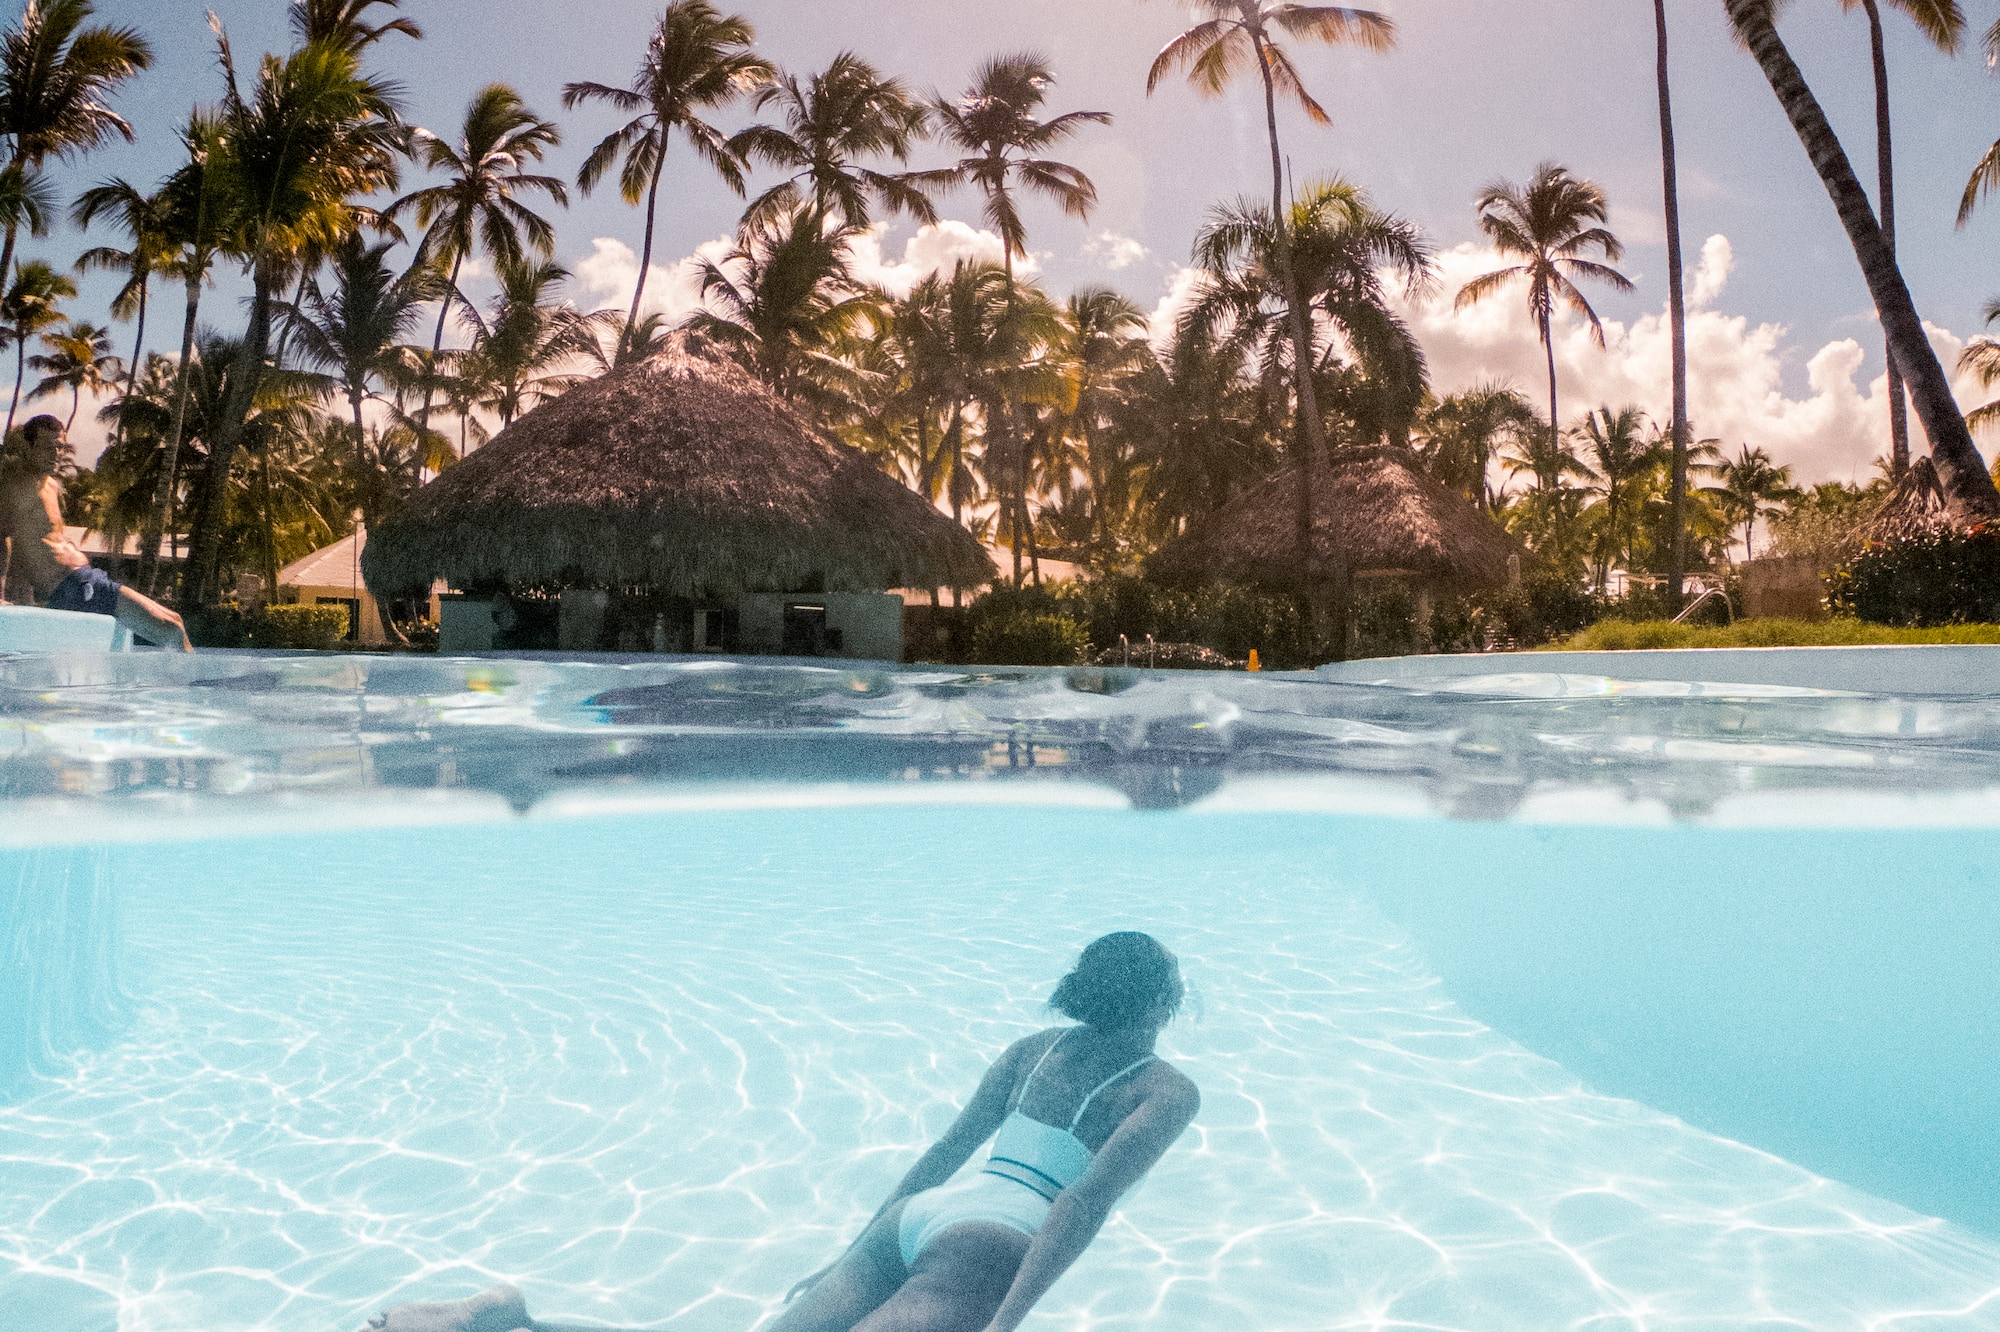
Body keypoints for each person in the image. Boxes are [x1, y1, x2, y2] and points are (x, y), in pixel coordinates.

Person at [365, 932, 1200, 1332]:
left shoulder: (1033, 1047)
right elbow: (1079, 1206)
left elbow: (941, 1158)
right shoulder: (1166, 1091)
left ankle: (511, 1320)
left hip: (917, 1221)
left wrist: (852, 1255)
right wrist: (1005, 1323)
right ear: (1161, 1003)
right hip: (992, 1244)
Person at [0, 414, 191, 650]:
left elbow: (36, 541)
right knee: (172, 630)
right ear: (28, 448)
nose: (55, 454)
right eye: (47, 447)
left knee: (176, 621)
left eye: (60, 447)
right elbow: (3, 537)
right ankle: (191, 673)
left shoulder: (51, 486)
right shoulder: (15, 486)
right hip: (74, 586)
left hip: (85, 579)